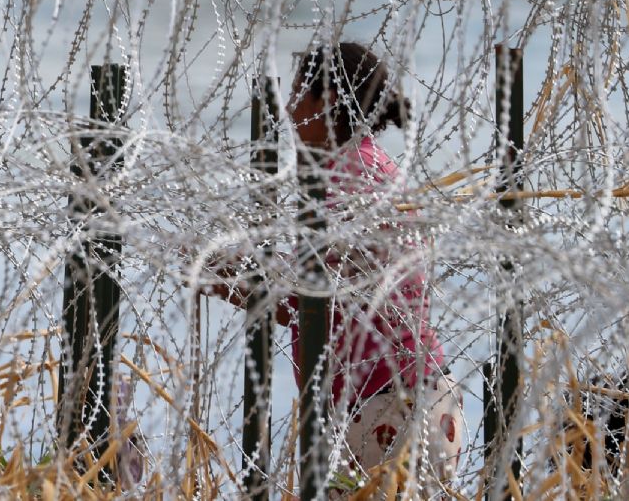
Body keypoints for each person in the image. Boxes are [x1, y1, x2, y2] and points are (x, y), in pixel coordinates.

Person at [192, 42, 463, 494]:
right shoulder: (368, 166)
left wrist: (219, 275)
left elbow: (296, 298)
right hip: (419, 398)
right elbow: (314, 291)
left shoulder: (346, 183)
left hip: (385, 411)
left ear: (329, 100)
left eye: (299, 90)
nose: (289, 105)